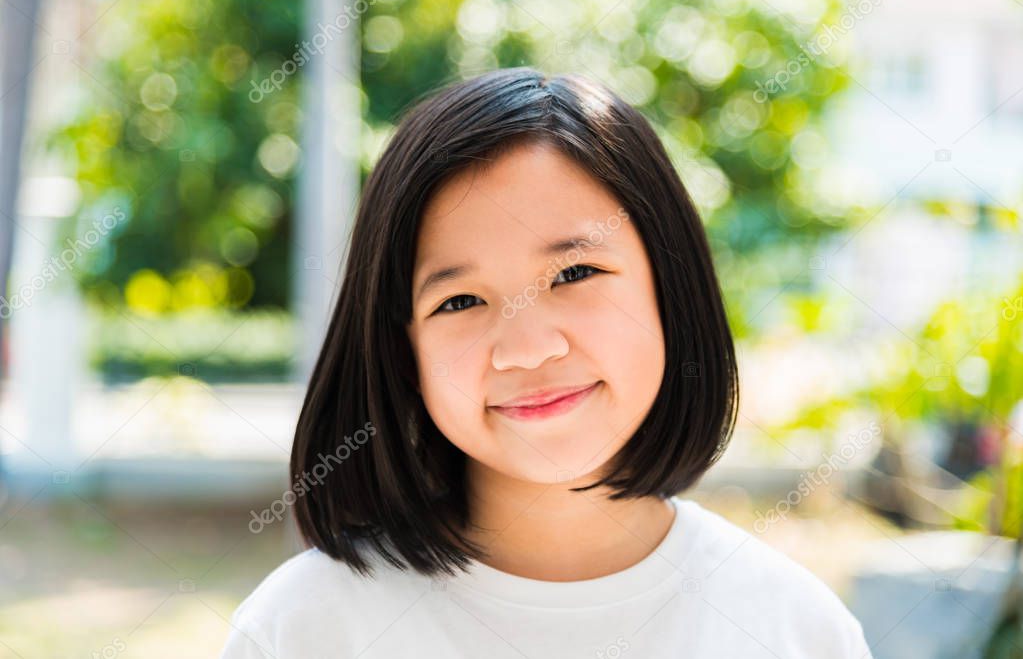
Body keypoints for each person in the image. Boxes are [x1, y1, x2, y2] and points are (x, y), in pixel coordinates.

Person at [220, 67, 873, 658]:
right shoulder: (303, 629)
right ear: (402, 346)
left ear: (670, 288)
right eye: (461, 300)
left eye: (574, 272)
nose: (527, 347)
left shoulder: (796, 630)